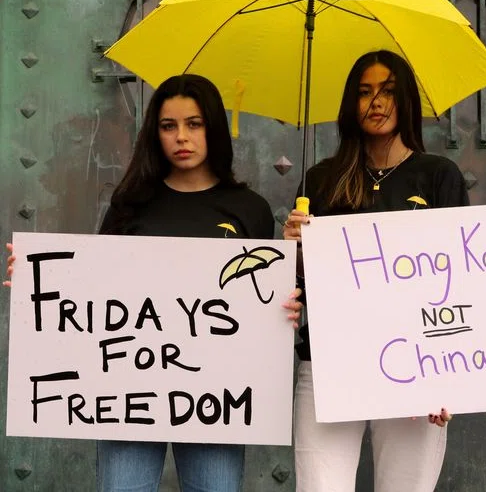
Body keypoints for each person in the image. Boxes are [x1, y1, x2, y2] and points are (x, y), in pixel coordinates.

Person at [4, 73, 302, 492]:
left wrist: (287, 301)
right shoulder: (131, 204)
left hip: (218, 397)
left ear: (213, 128)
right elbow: (92, 288)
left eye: (194, 124)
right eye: (168, 125)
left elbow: (259, 301)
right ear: (154, 133)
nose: (181, 136)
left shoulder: (249, 208)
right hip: (129, 396)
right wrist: (39, 278)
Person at [283, 50, 469, 492]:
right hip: (330, 362)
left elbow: (461, 281)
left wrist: (448, 374)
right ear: (352, 104)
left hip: (417, 364)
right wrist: (292, 249)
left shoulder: (438, 176)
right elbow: (300, 285)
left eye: (388, 91)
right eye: (365, 92)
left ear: (407, 101)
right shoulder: (321, 180)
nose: (377, 102)